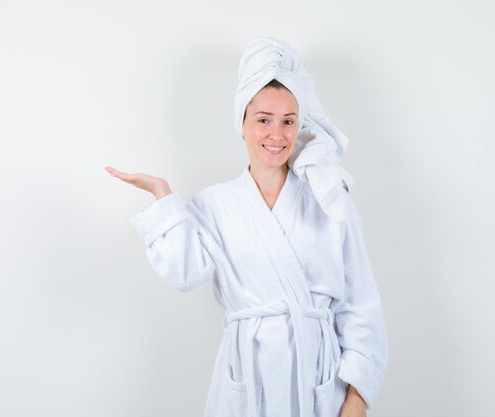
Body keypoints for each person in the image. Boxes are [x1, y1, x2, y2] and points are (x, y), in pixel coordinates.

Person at [105, 37, 388, 417]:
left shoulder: (329, 199)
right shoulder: (215, 204)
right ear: (242, 123)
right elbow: (186, 273)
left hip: (319, 379)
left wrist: (357, 397)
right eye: (263, 120)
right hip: (247, 379)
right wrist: (164, 198)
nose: (277, 134)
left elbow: (361, 305)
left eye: (288, 121)